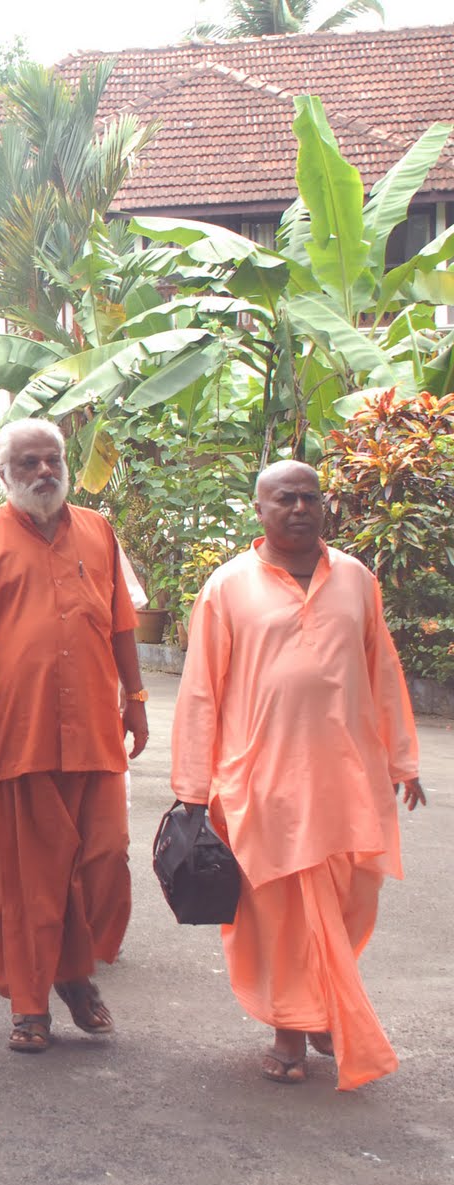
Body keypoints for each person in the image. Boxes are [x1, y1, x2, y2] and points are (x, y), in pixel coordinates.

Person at [171, 460, 425, 1090]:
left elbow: (383, 671)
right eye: (285, 499)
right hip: (263, 783)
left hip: (348, 782)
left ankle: (317, 1009)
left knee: (346, 907)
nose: (300, 508)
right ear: (259, 509)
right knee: (281, 915)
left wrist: (403, 759)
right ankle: (293, 1028)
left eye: (311, 498)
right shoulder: (228, 587)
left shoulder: (357, 580)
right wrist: (192, 791)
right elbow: (202, 690)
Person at [0, 418, 147, 1055]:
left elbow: (123, 624)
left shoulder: (99, 531)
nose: (43, 471)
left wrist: (135, 701)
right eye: (28, 463)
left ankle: (75, 972)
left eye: (51, 460)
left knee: (101, 859)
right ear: (4, 475)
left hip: (95, 731)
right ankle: (33, 1005)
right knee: (29, 879)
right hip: (17, 732)